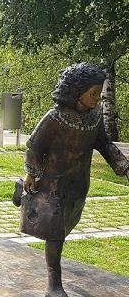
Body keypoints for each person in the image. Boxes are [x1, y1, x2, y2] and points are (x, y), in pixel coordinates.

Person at [13, 63, 128, 297]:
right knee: (55, 236)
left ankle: (21, 194)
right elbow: (34, 147)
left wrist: (124, 166)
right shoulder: (54, 118)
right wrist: (31, 173)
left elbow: (104, 144)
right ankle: (53, 285)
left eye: (99, 93)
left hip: (77, 186)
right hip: (52, 186)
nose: (97, 99)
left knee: (64, 230)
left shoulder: (95, 118)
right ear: (77, 91)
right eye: (93, 94)